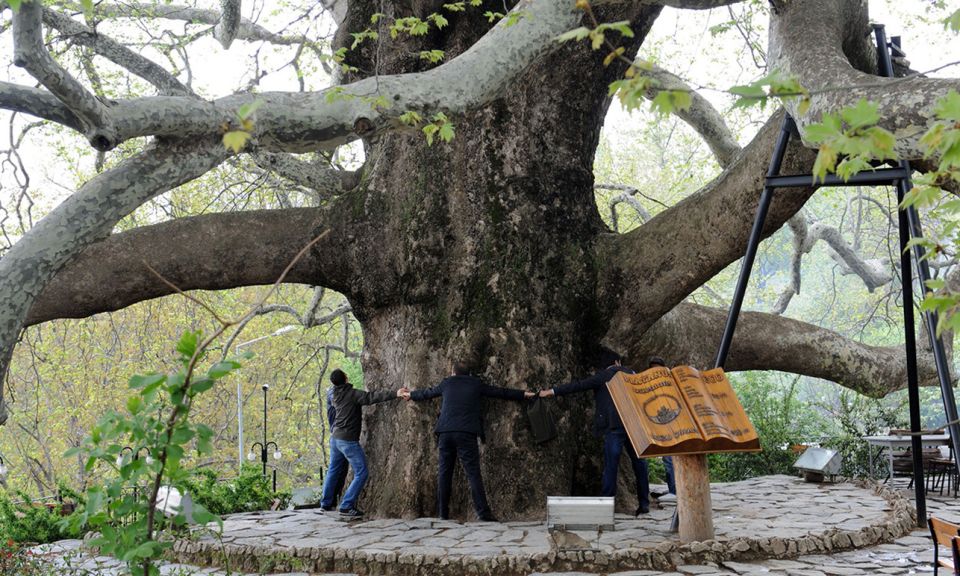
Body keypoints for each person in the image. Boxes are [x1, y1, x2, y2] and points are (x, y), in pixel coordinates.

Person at [401, 361, 534, 522]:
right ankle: (483, 513)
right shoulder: (476, 384)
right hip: (466, 432)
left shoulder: (446, 383)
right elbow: (499, 392)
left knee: (444, 473)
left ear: (453, 372)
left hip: (446, 432)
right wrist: (522, 394)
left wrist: (411, 395)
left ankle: (443, 513)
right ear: (468, 373)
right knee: (473, 473)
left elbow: (429, 393)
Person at [538, 346, 650, 515]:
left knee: (611, 466)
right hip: (634, 426)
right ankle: (644, 504)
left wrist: (552, 392)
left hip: (613, 427)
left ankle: (606, 507)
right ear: (617, 362)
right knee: (640, 464)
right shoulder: (633, 374)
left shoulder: (603, 376)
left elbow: (578, 385)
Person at [318, 369, 407, 519]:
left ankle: (326, 503)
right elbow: (372, 397)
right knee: (361, 472)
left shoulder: (332, 394)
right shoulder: (352, 394)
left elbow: (330, 412)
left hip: (335, 438)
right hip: (347, 440)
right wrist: (395, 393)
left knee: (333, 469)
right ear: (346, 378)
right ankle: (346, 505)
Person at [645, 356, 676, 503]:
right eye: (652, 369)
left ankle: (675, 491)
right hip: (660, 425)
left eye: (657, 369)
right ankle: (673, 489)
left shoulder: (670, 383)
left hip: (672, 425)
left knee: (670, 458)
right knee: (667, 458)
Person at [323, 385, 348, 508]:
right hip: (340, 435)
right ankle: (328, 501)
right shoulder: (335, 394)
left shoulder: (333, 393)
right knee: (336, 469)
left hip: (337, 435)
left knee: (339, 470)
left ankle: (330, 501)